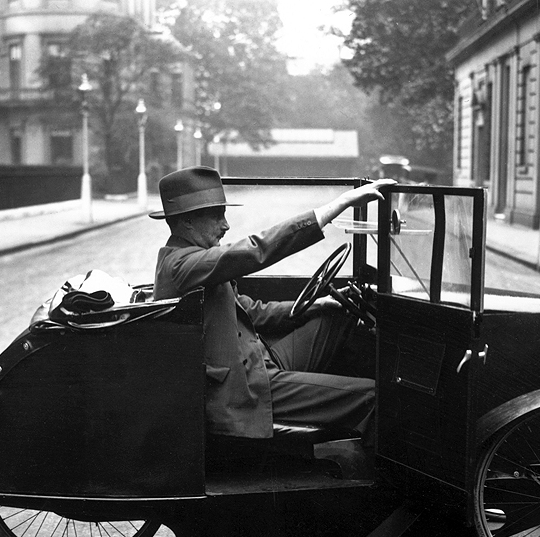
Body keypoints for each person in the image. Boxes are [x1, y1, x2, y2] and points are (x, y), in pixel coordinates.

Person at [151, 166, 395, 442]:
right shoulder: (180, 265)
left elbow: (252, 312)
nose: (226, 225)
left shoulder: (196, 260)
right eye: (217, 216)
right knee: (374, 396)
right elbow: (257, 250)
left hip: (260, 359)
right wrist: (339, 205)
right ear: (187, 222)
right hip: (246, 385)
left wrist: (320, 303)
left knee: (337, 317)